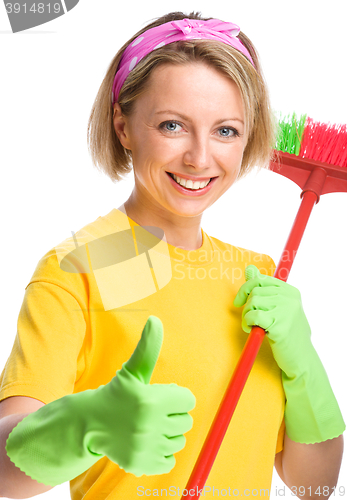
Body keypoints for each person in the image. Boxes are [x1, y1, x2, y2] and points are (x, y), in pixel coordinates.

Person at [0, 10, 344, 500]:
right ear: (123, 127)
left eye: (226, 130)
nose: (200, 158)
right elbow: (6, 475)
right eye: (172, 125)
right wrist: (84, 426)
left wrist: (304, 366)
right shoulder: (81, 268)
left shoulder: (259, 277)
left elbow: (316, 486)